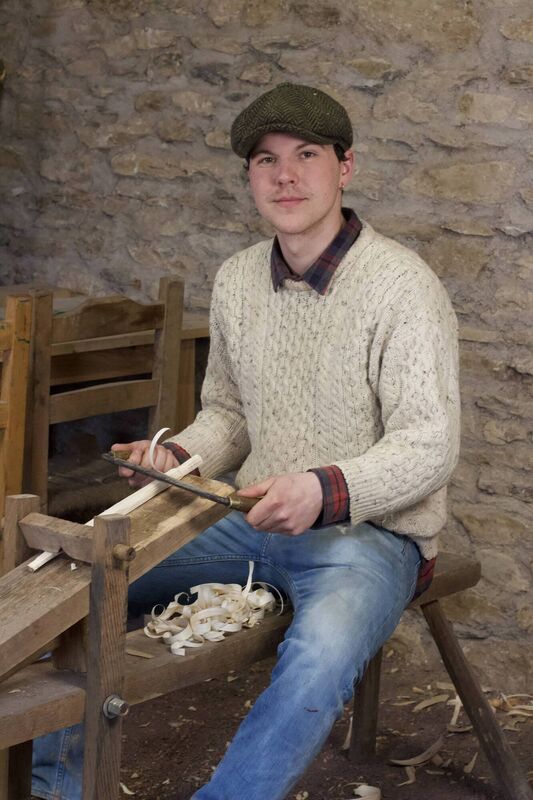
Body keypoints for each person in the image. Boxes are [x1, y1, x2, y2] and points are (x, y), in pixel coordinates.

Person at [32, 82, 460, 800]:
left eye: (306, 155)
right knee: (76, 589)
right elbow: (228, 414)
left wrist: (323, 490)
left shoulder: (400, 287)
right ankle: (58, 790)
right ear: (249, 176)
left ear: (344, 167)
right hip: (248, 521)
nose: (284, 176)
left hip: (371, 537)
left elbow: (429, 444)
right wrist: (178, 457)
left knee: (318, 656)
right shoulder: (235, 280)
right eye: (265, 160)